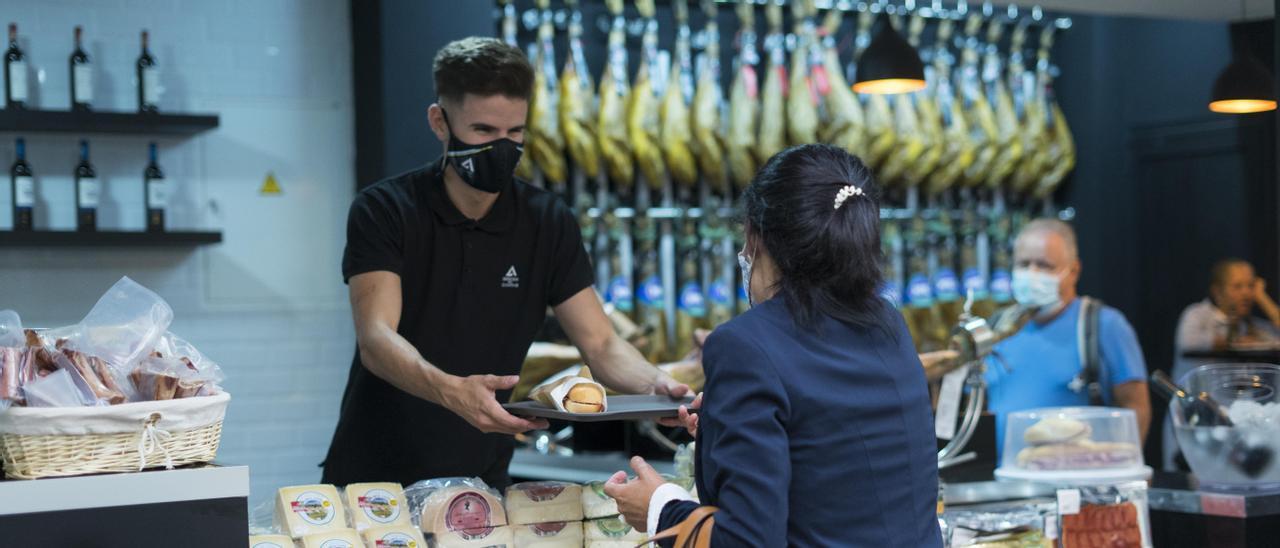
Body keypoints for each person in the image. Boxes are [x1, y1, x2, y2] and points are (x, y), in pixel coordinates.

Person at [322, 37, 687, 489]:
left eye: (515, 133)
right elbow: (377, 339)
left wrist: (656, 387)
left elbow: (602, 344)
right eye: (483, 131)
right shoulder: (385, 209)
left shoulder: (546, 220)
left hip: (482, 481)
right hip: (374, 482)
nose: (502, 148)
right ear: (440, 122)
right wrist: (452, 392)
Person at [603, 144, 942, 547]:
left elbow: (748, 541)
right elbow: (835, 462)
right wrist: (722, 437)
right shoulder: (889, 324)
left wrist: (660, 506)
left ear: (757, 236)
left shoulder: (743, 344)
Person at [984, 219, 1151, 452]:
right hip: (1007, 479)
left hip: (1078, 478)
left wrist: (1124, 466)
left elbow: (1136, 406)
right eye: (1023, 264)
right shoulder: (996, 329)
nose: (1032, 274)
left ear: (1073, 271)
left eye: (1044, 265)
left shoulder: (1103, 324)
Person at [1163, 258, 1280, 469]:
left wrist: (1262, 299)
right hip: (1198, 423)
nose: (1246, 293)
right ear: (1217, 291)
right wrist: (1232, 340)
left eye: (1250, 286)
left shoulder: (1252, 326)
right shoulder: (1198, 316)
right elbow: (1188, 343)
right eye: (1238, 286)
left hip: (1240, 430)